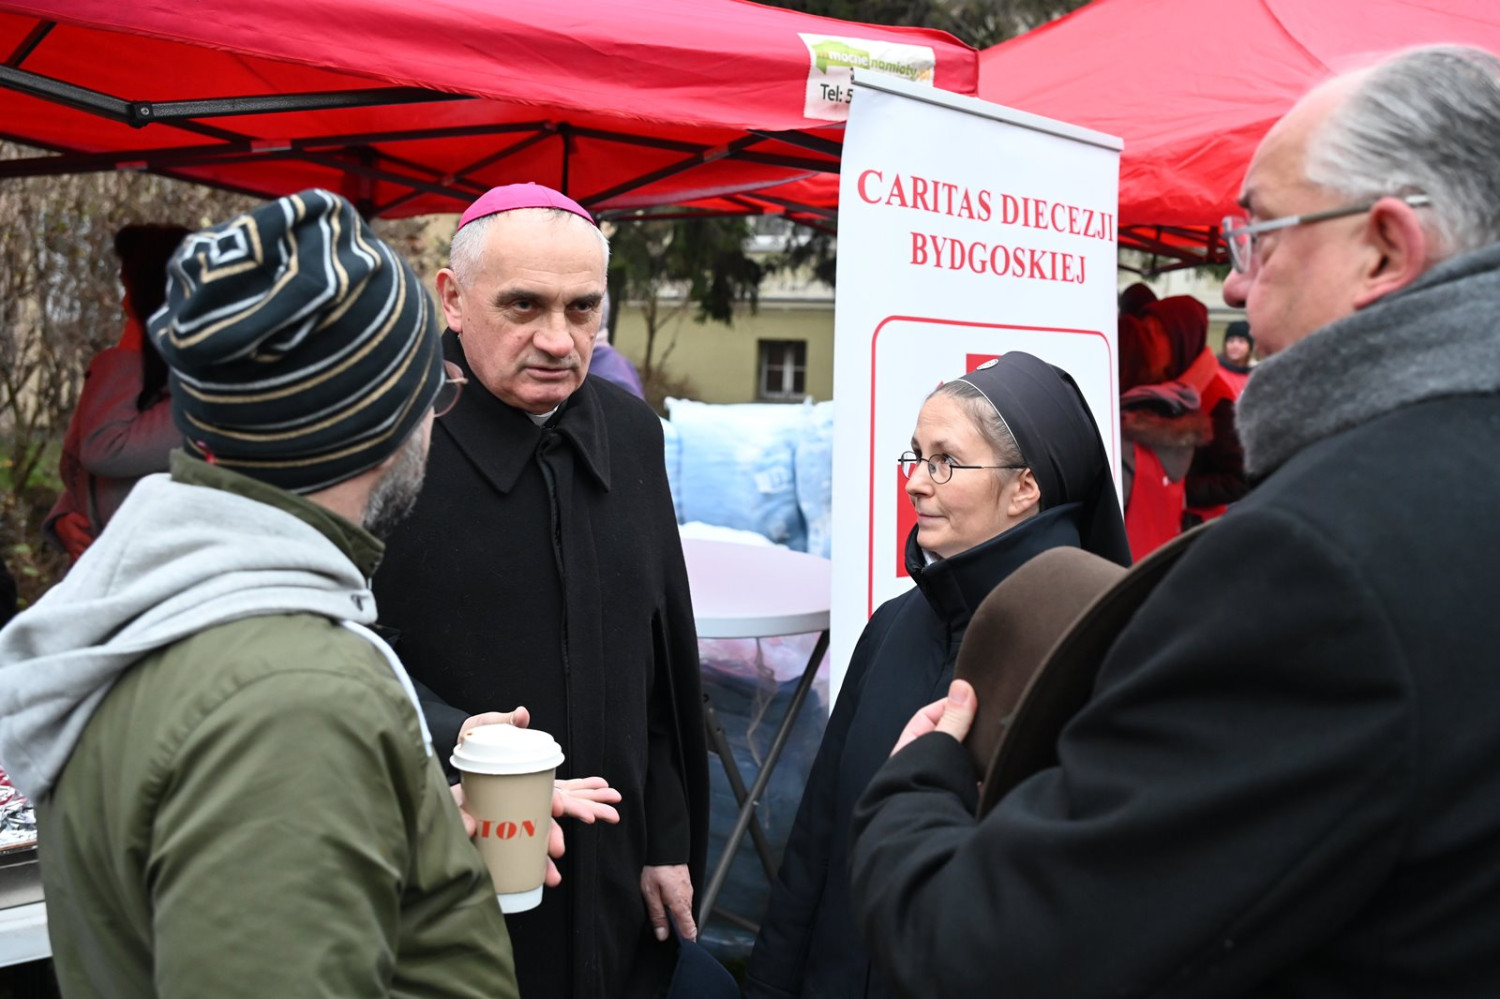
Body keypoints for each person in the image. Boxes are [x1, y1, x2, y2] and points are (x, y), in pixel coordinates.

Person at [849, 45, 1500, 997]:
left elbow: (996, 950)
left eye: (1260, 235)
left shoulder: (1310, 562)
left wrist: (918, 780)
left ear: (1384, 249)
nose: (1232, 286)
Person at [0, 190, 532, 997]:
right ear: (375, 421)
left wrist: (403, 833)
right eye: (432, 393)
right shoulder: (294, 702)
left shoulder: (150, 603)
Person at [372, 183, 710, 999]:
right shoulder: (388, 441)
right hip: (449, 857)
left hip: (613, 868)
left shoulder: (631, 433)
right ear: (453, 299)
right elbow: (340, 653)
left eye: (582, 308)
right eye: (523, 305)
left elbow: (663, 663)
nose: (559, 340)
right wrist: (457, 738)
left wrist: (666, 840)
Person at [745, 352, 1130, 999]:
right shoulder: (892, 625)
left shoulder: (1089, 657)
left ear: (1025, 488)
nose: (916, 483)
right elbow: (816, 840)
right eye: (917, 457)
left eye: (945, 461)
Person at [44, 224, 191, 561]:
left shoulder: (201, 395)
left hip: (158, 578)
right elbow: (82, 465)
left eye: (130, 289)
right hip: (106, 573)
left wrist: (136, 334)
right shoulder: (127, 377)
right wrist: (63, 518)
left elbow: (106, 451)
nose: (124, 302)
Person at [1217, 319, 1254, 396]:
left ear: (1249, 347)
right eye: (1231, 341)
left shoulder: (1255, 375)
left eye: (1241, 341)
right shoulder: (1215, 371)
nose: (1235, 346)